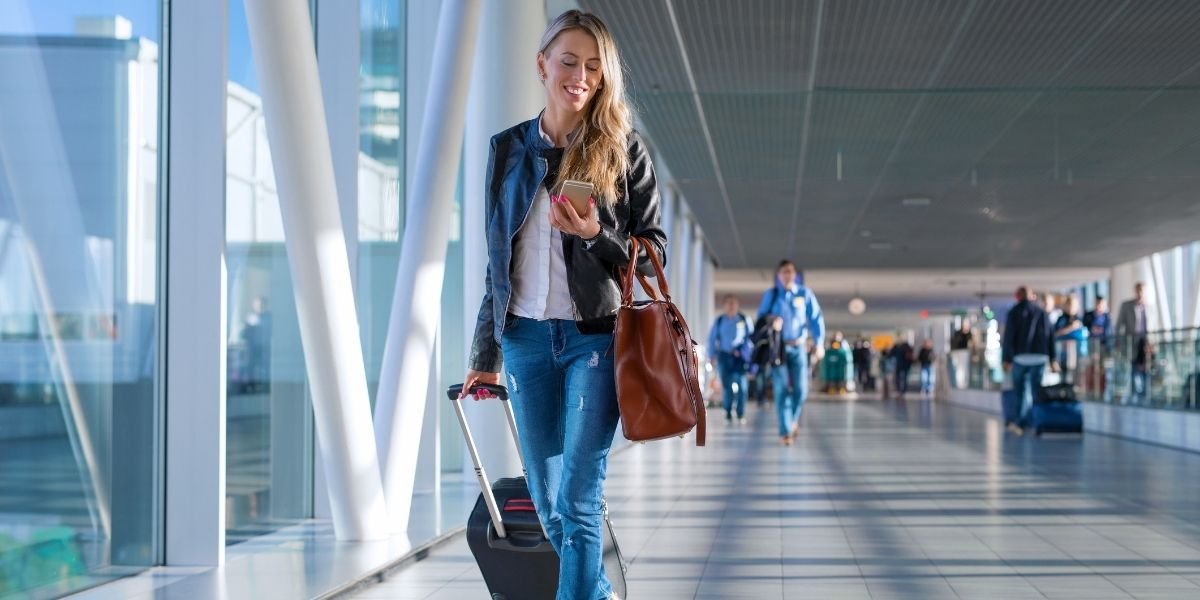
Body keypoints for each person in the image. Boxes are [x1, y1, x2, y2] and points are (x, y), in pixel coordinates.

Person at [462, 11, 665, 599]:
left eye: (594, 67)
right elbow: (496, 263)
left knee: (578, 501)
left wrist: (595, 234)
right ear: (542, 64)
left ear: (604, 79)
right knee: (551, 507)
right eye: (569, 61)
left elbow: (651, 260)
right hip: (524, 341)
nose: (580, 76)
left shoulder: (624, 152)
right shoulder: (506, 151)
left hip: (594, 341)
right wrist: (485, 351)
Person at [757, 260, 824, 446]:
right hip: (778, 348)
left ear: (794, 275)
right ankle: (785, 431)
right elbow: (760, 319)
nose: (787, 275)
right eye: (784, 272)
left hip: (799, 347)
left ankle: (792, 420)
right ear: (779, 275)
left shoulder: (805, 294)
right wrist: (772, 321)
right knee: (781, 389)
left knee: (801, 390)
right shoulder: (771, 295)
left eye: (790, 272)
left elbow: (816, 318)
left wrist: (819, 343)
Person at [1002, 286, 1058, 435]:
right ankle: (1038, 423)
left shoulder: (1013, 312)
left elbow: (1008, 337)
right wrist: (1053, 358)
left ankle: (1020, 423)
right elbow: (1050, 336)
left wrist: (1006, 359)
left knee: (1020, 392)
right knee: (1036, 392)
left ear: (1018, 296)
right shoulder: (1041, 312)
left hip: (1020, 358)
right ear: (1032, 296)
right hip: (1039, 357)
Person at [707, 295, 753, 424]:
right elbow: (712, 339)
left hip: (740, 358)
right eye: (728, 303)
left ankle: (740, 412)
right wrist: (711, 356)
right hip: (724, 355)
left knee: (742, 386)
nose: (731, 306)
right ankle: (727, 411)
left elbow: (751, 339)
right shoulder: (720, 321)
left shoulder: (744, 320)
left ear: (738, 305)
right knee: (727, 386)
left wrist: (746, 353)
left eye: (734, 303)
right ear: (724, 306)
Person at [1116, 282, 1152, 402]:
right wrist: (1118, 341)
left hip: (1145, 342)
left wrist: (1152, 343)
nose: (1140, 293)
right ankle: (1134, 395)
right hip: (1131, 342)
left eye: (1142, 290)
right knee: (1133, 368)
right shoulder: (1127, 305)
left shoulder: (1150, 307)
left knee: (1146, 369)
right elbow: (1119, 325)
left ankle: (1145, 396)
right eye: (1138, 290)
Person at [1054, 293, 1088, 382]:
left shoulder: (1079, 319)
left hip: (1078, 351)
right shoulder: (1061, 319)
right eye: (1069, 305)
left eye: (1074, 305)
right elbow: (1056, 333)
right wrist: (1071, 328)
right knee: (1065, 375)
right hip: (1064, 352)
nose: (1071, 308)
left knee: (1078, 374)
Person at [890, 334, 915, 399]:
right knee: (905, 378)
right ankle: (903, 391)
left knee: (898, 378)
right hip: (906, 365)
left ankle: (899, 391)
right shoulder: (908, 347)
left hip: (900, 365)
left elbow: (890, 354)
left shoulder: (897, 347)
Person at [949, 320, 971, 388]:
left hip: (965, 352)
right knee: (960, 369)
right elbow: (955, 342)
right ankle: (960, 384)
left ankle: (964, 383)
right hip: (959, 352)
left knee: (964, 368)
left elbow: (970, 341)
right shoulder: (958, 333)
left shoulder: (968, 333)